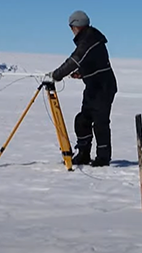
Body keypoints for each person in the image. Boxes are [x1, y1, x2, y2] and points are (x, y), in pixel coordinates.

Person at [50, 10, 118, 167]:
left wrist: (57, 75)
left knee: (100, 122)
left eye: (71, 27)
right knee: (82, 120)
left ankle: (103, 157)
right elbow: (92, 62)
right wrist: (81, 73)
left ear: (76, 26)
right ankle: (83, 154)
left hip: (103, 87)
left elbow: (75, 59)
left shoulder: (89, 39)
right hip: (93, 87)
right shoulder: (88, 38)